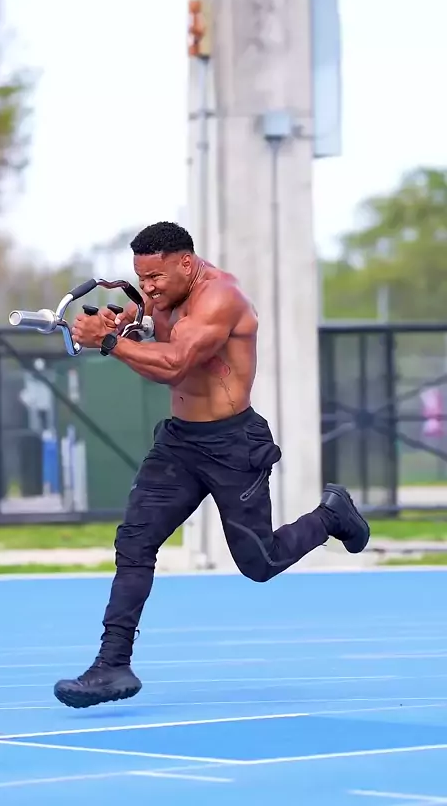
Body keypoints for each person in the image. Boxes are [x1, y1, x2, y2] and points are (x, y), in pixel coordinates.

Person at [53, 221, 370, 709]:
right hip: (180, 443)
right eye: (142, 277)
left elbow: (176, 364)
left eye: (156, 277)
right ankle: (111, 665)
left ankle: (331, 515)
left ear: (186, 263)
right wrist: (120, 327)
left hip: (233, 444)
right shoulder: (160, 298)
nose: (149, 288)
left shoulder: (221, 298)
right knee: (134, 542)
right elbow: (148, 342)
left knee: (259, 564)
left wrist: (110, 344)